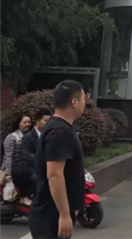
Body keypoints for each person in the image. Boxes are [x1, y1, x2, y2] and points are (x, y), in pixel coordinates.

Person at [29, 80, 86, 239]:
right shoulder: (59, 131)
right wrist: (64, 214)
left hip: (52, 213)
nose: (85, 102)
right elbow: (54, 175)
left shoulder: (61, 127)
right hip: (50, 215)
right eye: (83, 98)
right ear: (74, 102)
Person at [13, 108, 52, 203]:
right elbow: (25, 154)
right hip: (31, 167)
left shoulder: (49, 135)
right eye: (45, 121)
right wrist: (40, 159)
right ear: (37, 121)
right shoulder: (28, 137)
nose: (48, 123)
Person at [1, 114, 32, 183]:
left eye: (29, 122)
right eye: (25, 122)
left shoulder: (32, 136)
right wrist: (7, 173)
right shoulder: (11, 137)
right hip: (15, 166)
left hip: (27, 165)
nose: (27, 124)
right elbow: (8, 156)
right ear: (19, 123)